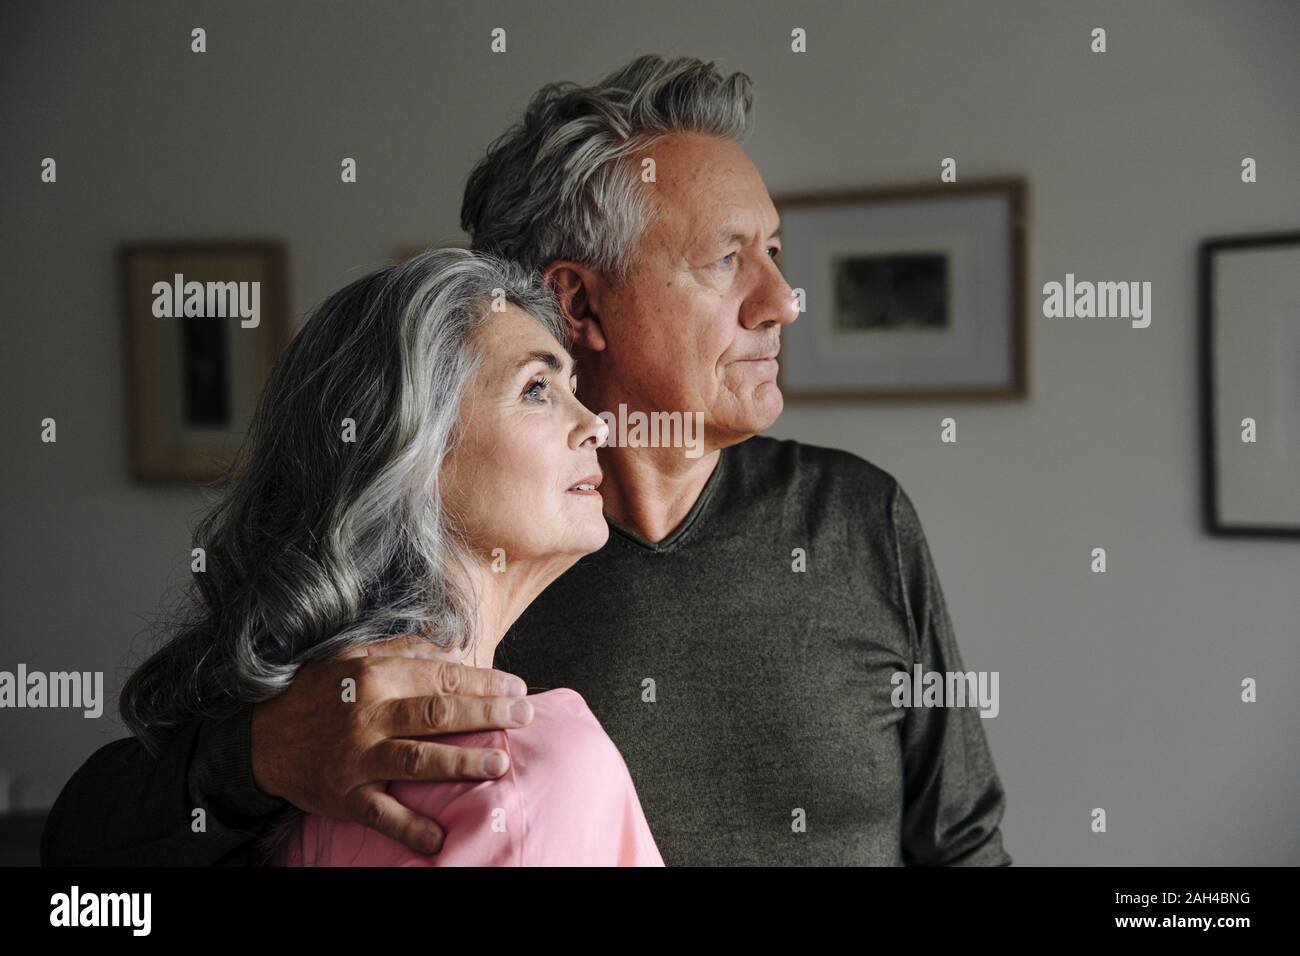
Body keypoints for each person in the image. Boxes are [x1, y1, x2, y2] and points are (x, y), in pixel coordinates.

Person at [43, 54, 1010, 867]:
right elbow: (80, 862)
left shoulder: (859, 519)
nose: (782, 300)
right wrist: (256, 754)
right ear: (579, 306)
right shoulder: (452, 572)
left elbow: (964, 844)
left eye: (777, 251)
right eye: (727, 261)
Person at [52, 248, 664, 866]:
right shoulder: (526, 766)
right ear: (407, 454)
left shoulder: (288, 764)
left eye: (574, 387)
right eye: (536, 389)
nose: (597, 425)